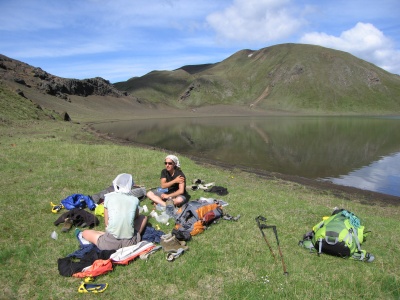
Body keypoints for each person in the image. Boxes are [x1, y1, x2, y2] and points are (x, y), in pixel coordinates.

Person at [82, 173, 147, 251]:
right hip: (130, 243)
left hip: (109, 244)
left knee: (85, 233)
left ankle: (104, 236)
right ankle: (134, 236)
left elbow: (107, 224)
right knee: (143, 217)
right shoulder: (135, 199)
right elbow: (136, 217)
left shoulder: (108, 197)